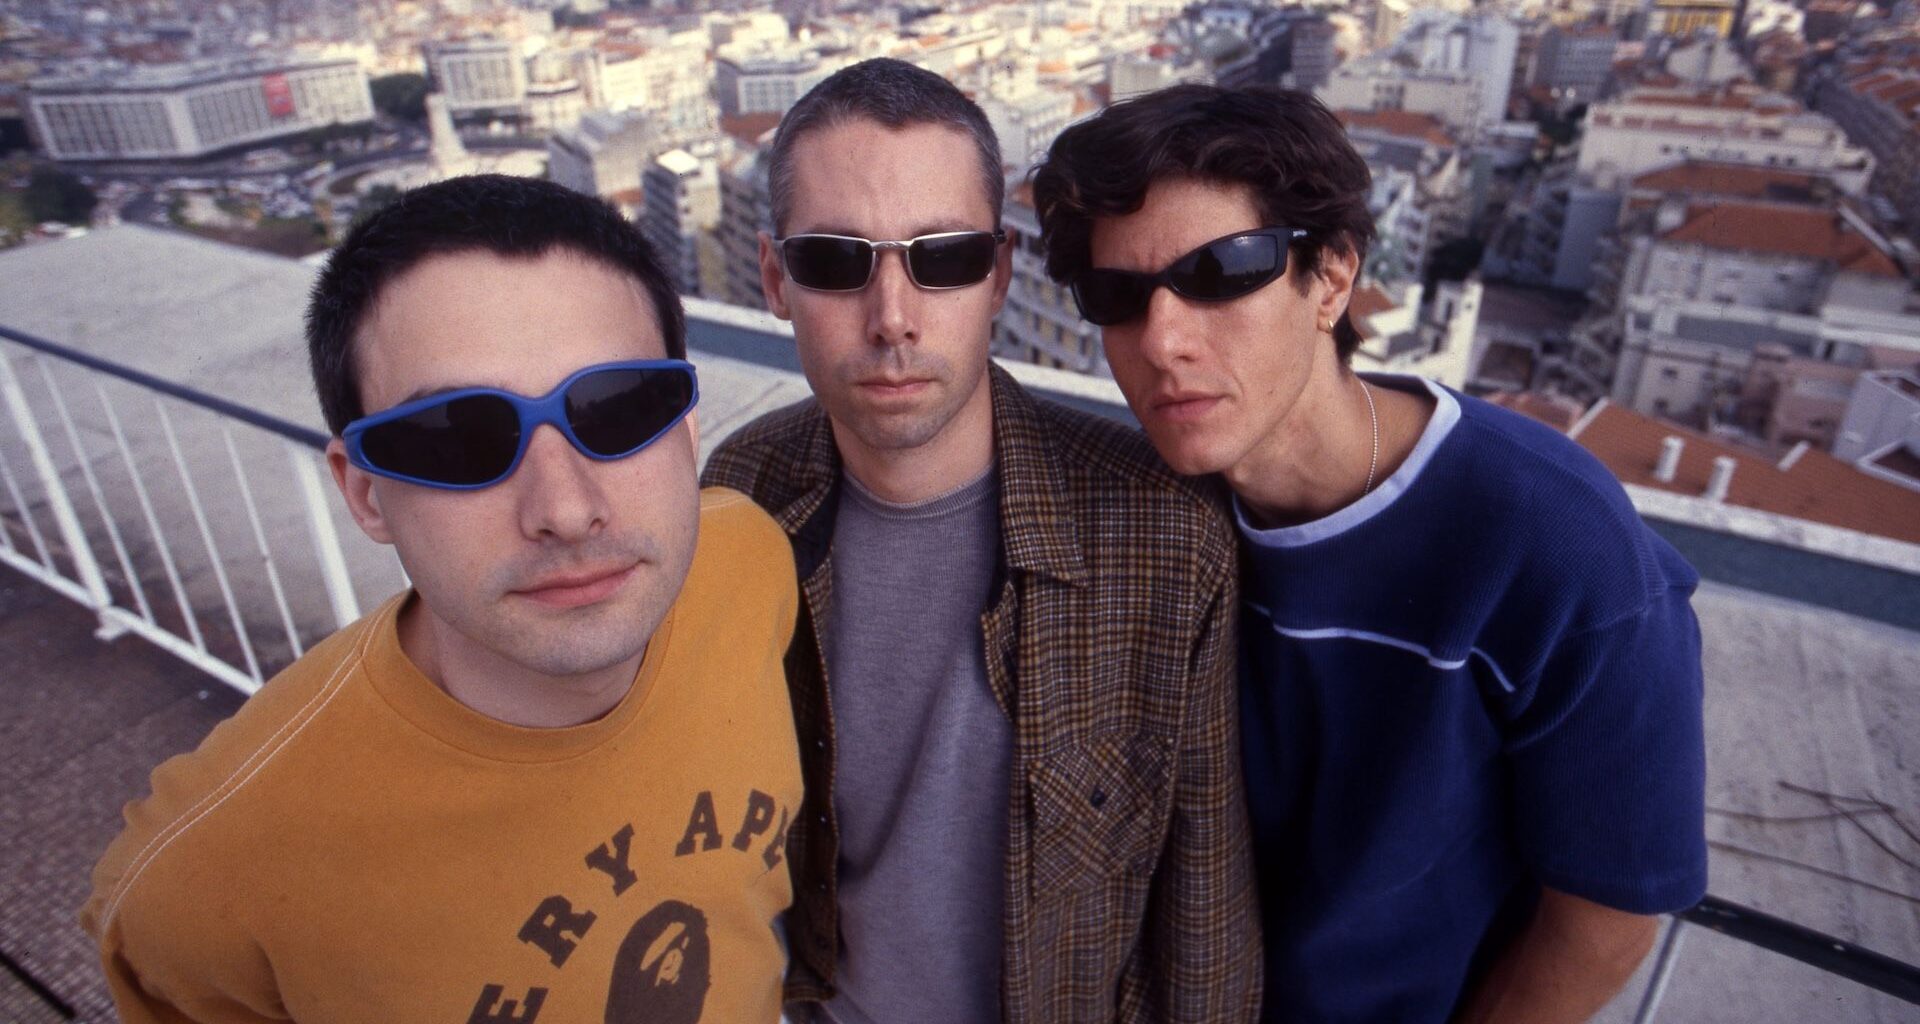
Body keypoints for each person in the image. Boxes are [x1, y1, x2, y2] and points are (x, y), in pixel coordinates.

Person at [1032, 86, 1708, 1024]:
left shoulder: (1550, 539)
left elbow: (1614, 905)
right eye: (1116, 295)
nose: (1163, 340)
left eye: (1223, 272)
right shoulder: (1151, 513)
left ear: (1334, 276)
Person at [81, 174, 802, 1024]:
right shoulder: (212, 873)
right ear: (365, 495)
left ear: (684, 431)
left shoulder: (749, 564)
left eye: (618, 407)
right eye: (461, 438)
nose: (565, 510)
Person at [700, 59, 1261, 1024]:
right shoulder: (737, 498)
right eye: (836, 261)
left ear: (999, 272)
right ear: (774, 279)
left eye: (944, 257)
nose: (893, 320)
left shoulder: (1164, 537)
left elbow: (1206, 917)